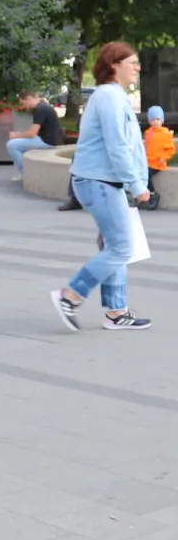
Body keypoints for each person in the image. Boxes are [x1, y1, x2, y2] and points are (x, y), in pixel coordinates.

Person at [51, 42, 154, 332]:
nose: (137, 68)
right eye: (132, 62)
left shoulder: (114, 96)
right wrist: (136, 184)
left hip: (104, 182)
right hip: (99, 182)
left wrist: (136, 181)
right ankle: (70, 295)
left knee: (114, 244)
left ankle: (116, 312)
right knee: (121, 246)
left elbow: (127, 146)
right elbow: (117, 146)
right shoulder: (109, 96)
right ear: (114, 65)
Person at [7, 90, 66, 182]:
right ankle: (28, 171)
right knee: (18, 143)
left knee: (12, 144)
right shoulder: (42, 106)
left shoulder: (40, 109)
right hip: (48, 139)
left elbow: (32, 133)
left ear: (29, 99)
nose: (24, 107)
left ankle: (26, 174)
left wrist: (16, 135)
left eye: (23, 103)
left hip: (47, 142)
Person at [145, 105, 172, 184]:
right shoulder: (148, 132)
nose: (155, 122)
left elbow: (170, 149)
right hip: (147, 162)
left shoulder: (165, 133)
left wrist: (164, 157)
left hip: (158, 163)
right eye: (153, 120)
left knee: (146, 175)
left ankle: (152, 193)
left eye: (158, 119)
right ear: (149, 121)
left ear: (162, 120)